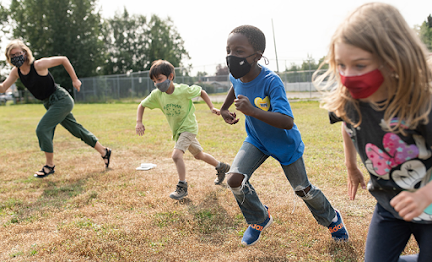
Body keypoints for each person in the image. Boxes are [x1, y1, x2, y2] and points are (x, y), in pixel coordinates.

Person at [314, 3, 432, 262]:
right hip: (389, 208)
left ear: (392, 58)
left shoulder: (421, 103)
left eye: (359, 65)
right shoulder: (350, 100)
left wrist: (426, 194)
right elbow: (348, 124)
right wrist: (351, 165)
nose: (347, 76)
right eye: (341, 65)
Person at [220, 25, 348, 246]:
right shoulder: (236, 77)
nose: (231, 56)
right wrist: (224, 108)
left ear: (257, 56)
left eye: (239, 51)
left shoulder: (271, 81)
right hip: (257, 140)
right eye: (228, 50)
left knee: (303, 190)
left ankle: (332, 218)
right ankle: (259, 218)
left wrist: (253, 111)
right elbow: (235, 86)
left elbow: (287, 121)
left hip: (284, 144)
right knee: (234, 179)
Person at [0, 40, 112, 178]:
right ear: (9, 58)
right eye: (13, 55)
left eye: (18, 53)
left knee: (42, 129)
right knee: (76, 129)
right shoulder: (16, 72)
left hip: (61, 100)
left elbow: (63, 60)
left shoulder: (38, 64)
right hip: (49, 103)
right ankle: (104, 151)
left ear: (25, 53)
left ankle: (49, 165)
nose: (16, 56)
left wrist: (75, 79)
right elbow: (3, 88)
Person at [135, 59, 230, 200]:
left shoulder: (183, 90)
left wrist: (211, 107)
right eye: (154, 81)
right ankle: (221, 166)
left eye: (160, 79)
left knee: (176, 155)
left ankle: (182, 186)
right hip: (178, 131)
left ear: (170, 77)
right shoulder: (157, 95)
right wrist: (139, 122)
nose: (157, 84)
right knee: (199, 155)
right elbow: (141, 105)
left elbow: (201, 92)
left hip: (189, 128)